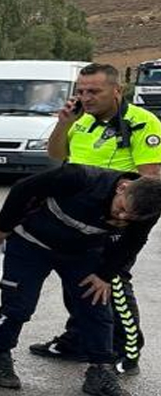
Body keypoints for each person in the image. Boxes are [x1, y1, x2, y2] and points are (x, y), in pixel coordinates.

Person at [0, 164, 161, 396]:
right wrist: (3, 225)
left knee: (97, 306)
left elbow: (133, 242)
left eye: (129, 218)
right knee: (18, 306)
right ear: (122, 187)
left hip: (83, 253)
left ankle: (100, 370)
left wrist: (105, 276)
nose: (121, 218)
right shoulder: (77, 177)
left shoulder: (147, 207)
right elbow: (23, 188)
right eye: (121, 209)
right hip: (31, 243)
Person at [33, 63, 161, 375]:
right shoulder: (81, 121)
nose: (85, 97)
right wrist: (64, 123)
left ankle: (127, 350)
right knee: (76, 282)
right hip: (78, 220)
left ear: (117, 91)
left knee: (112, 282)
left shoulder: (143, 123)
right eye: (81, 91)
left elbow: (151, 182)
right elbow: (55, 154)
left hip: (116, 222)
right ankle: (79, 339)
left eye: (94, 91)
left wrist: (121, 219)